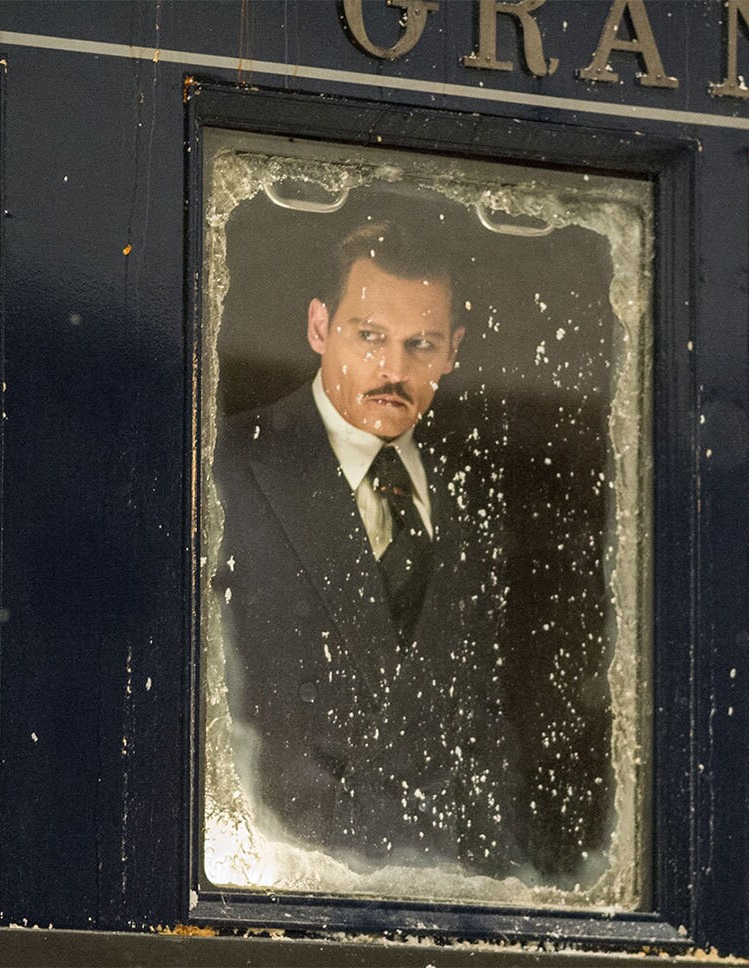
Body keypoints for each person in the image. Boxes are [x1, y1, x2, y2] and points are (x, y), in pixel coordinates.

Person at [211, 219, 520, 876]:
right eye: (370, 337)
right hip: (269, 896)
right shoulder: (226, 465)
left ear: (453, 350)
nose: (395, 371)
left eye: (422, 345)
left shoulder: (476, 498)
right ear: (320, 328)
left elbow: (494, 738)